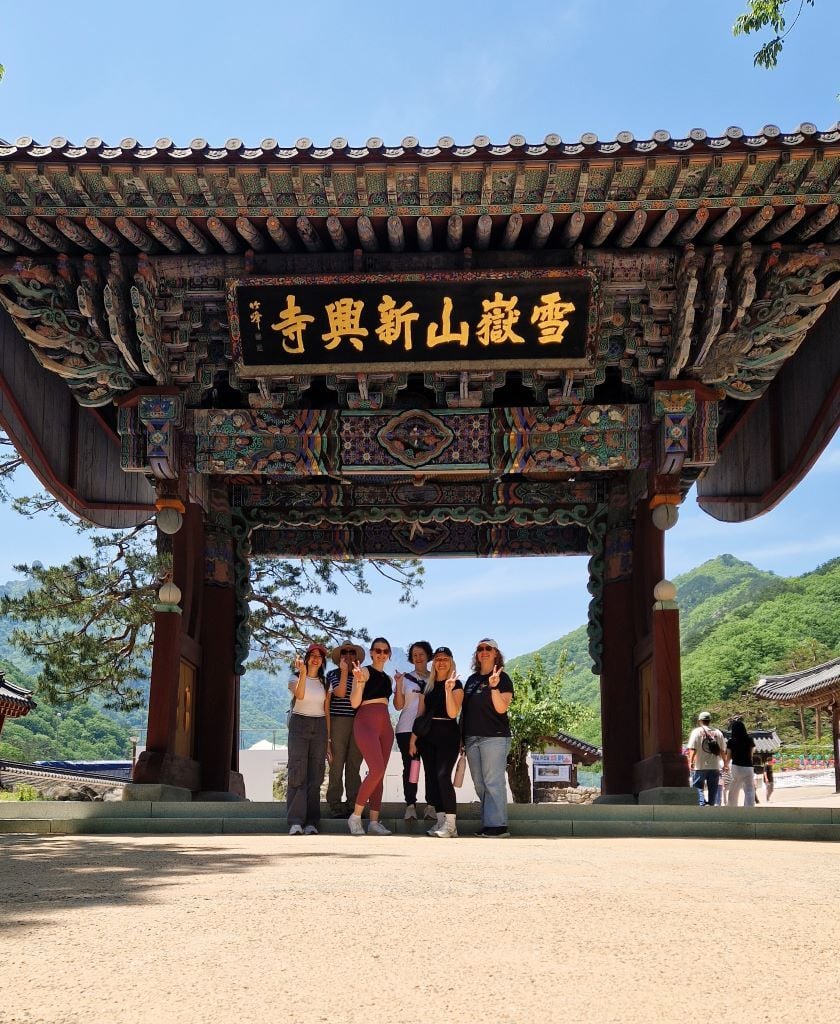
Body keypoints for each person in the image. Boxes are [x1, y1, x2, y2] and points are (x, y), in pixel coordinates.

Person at [461, 638, 514, 838]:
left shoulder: (503, 678)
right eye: (480, 649)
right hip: (471, 738)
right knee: (479, 783)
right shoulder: (471, 680)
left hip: (495, 737)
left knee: (493, 781)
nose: (484, 651)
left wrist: (493, 687)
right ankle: (489, 823)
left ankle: (498, 826)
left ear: (496, 654)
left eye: (488, 648)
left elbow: (501, 708)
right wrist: (462, 738)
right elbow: (466, 711)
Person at [409, 645, 463, 838]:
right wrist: (413, 739)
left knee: (442, 776)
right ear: (433, 663)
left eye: (445, 659)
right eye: (438, 659)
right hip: (427, 737)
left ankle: (451, 824)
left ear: (451, 662)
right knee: (432, 780)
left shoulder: (456, 684)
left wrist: (448, 690)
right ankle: (440, 822)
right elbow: (420, 714)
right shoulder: (427, 686)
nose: (441, 662)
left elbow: (452, 713)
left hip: (448, 735)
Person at [348, 637, 395, 836]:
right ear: (371, 652)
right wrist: (359, 682)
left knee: (380, 774)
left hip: (385, 725)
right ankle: (355, 817)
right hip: (366, 722)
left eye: (385, 651)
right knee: (376, 770)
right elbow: (354, 703)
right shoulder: (364, 671)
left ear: (389, 654)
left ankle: (374, 822)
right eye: (378, 650)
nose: (381, 654)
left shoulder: (389, 679)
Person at [286, 642, 331, 836]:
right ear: (306, 658)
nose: (315, 658)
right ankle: (296, 821)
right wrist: (303, 673)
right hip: (299, 724)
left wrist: (328, 740)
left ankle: (312, 821)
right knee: (297, 772)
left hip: (319, 726)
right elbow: (300, 695)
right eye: (312, 655)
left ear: (323, 661)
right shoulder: (294, 677)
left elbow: (326, 711)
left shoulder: (325, 682)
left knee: (316, 774)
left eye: (319, 656)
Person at [325, 641, 365, 818]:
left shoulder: (362, 675)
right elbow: (340, 694)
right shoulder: (332, 674)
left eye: (351, 652)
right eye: (344, 652)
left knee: (354, 765)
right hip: (338, 722)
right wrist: (343, 671)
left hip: (358, 722)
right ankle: (334, 804)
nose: (348, 655)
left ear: (356, 656)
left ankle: (353, 803)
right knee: (336, 764)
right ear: (339, 657)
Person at [394, 640, 432, 821]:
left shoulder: (435, 678)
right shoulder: (405, 679)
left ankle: (431, 805)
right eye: (414, 655)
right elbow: (398, 705)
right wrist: (399, 685)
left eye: (421, 654)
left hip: (430, 730)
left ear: (428, 656)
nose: (418, 658)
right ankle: (410, 805)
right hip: (406, 729)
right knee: (411, 767)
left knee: (431, 768)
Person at [686, 711, 727, 806]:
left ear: (700, 721)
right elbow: (722, 750)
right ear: (710, 720)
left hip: (700, 765)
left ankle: (702, 805)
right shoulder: (718, 733)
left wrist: (690, 762)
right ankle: (712, 805)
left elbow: (692, 749)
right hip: (715, 765)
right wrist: (725, 763)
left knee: (698, 787)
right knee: (713, 788)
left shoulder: (696, 732)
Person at [725, 717, 757, 807]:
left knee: (734, 789)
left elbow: (728, 756)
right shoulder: (749, 740)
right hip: (748, 767)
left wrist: (726, 765)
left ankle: (732, 807)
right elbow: (751, 755)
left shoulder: (731, 741)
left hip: (737, 767)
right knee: (749, 789)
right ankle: (749, 808)